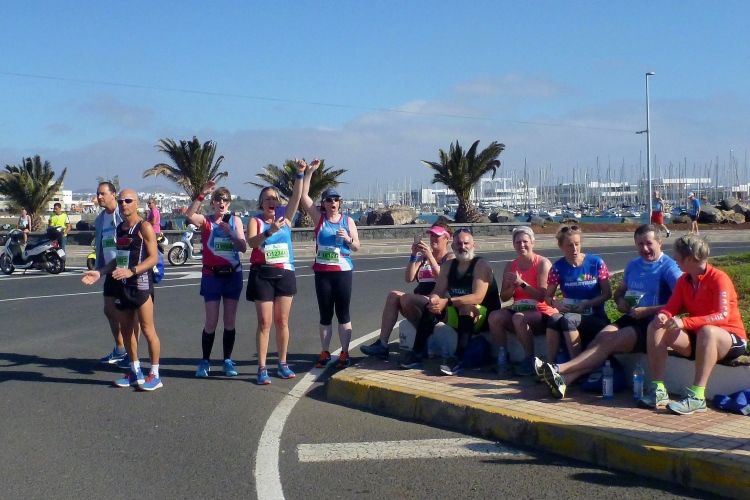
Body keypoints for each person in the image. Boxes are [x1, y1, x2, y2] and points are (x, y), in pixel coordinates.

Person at [541, 224, 682, 398]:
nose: (645, 248)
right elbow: (618, 293)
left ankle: (559, 369)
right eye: (640, 244)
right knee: (600, 339)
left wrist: (648, 310)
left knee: (609, 342)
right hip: (630, 317)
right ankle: (565, 380)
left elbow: (681, 302)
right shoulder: (634, 264)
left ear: (659, 243)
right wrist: (620, 302)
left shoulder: (669, 267)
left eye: (649, 243)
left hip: (651, 323)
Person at [638, 234, 747, 415]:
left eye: (677, 255)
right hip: (699, 337)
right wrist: (663, 316)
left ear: (689, 259)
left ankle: (697, 397)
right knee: (656, 327)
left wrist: (685, 322)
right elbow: (671, 307)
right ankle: (658, 390)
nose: (674, 258)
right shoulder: (684, 280)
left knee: (708, 331)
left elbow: (722, 316)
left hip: (729, 339)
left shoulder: (719, 278)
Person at [82, 189, 163, 391]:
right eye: (121, 201)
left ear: (137, 203)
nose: (124, 204)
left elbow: (153, 258)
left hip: (141, 284)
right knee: (126, 330)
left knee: (148, 330)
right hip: (122, 284)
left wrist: (132, 271)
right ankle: (135, 371)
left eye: (128, 200)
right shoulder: (119, 228)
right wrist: (100, 272)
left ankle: (155, 375)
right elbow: (118, 259)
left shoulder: (144, 227)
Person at [398, 229, 501, 376]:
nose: (462, 247)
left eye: (466, 243)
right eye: (458, 244)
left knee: (467, 307)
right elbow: (438, 291)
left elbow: (477, 297)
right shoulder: (448, 265)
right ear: (453, 246)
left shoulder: (481, 265)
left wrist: (447, 302)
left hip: (483, 315)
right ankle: (417, 352)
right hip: (457, 311)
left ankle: (457, 359)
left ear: (474, 246)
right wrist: (434, 300)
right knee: (432, 306)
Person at [247, 159, 307, 384]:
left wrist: (300, 173)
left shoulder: (286, 218)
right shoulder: (255, 221)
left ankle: (282, 363)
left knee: (282, 321)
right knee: (265, 322)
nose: (272, 201)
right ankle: (262, 367)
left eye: (275, 198)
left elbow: (296, 197)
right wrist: (269, 231)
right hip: (262, 274)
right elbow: (252, 243)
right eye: (267, 199)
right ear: (261, 203)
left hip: (285, 273)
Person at [360, 222, 454, 359]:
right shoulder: (423, 258)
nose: (433, 239)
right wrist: (414, 255)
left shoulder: (450, 258)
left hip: (438, 303)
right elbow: (409, 278)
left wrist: (431, 257)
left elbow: (442, 279)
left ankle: (423, 340)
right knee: (393, 295)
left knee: (407, 298)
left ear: (447, 238)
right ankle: (382, 344)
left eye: (437, 236)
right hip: (420, 300)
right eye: (431, 236)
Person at [301, 162, 361, 370]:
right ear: (324, 203)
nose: (333, 202)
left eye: (336, 199)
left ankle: (344, 351)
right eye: (329, 200)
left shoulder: (348, 221)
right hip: (323, 272)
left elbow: (357, 246)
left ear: (340, 203)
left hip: (343, 272)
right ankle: (325, 351)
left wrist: (347, 239)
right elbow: (304, 196)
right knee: (325, 314)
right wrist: (309, 172)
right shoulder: (319, 219)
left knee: (343, 313)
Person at [187, 182, 247, 378]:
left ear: (229, 203)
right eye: (218, 199)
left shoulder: (235, 221)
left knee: (229, 320)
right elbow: (189, 215)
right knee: (211, 321)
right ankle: (205, 361)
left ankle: (227, 360)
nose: (222, 202)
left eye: (225, 200)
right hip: (212, 276)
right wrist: (201, 194)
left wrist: (231, 233)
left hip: (232, 275)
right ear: (213, 202)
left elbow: (243, 247)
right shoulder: (206, 222)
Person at [488, 226, 553, 376]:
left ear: (533, 243)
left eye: (525, 242)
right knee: (494, 317)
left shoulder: (542, 263)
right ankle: (503, 356)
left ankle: (530, 360)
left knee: (519, 318)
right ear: (513, 245)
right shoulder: (510, 265)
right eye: (518, 242)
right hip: (519, 309)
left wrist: (521, 284)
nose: (521, 245)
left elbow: (542, 297)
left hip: (541, 311)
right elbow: (504, 297)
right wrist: (512, 287)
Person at [543, 225, 612, 366]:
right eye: (569, 245)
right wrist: (557, 304)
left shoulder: (596, 263)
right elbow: (547, 297)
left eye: (577, 244)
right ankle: (549, 365)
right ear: (561, 246)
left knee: (568, 320)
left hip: (595, 315)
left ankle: (576, 367)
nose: (574, 249)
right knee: (554, 318)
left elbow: (607, 294)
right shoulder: (557, 268)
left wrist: (587, 304)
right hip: (571, 313)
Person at [93, 182, 139, 369]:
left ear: (113, 195)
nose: (99, 197)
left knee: (130, 314)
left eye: (103, 193)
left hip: (126, 269)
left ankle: (132, 354)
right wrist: (99, 268)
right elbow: (101, 243)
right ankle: (120, 349)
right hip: (110, 269)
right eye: (98, 194)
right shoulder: (100, 219)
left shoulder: (123, 214)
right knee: (109, 309)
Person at [48, 202, 71, 267]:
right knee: (52, 249)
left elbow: (69, 227)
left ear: (60, 208)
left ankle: (62, 264)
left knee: (62, 250)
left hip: (62, 235)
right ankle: (53, 263)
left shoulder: (65, 216)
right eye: (54, 209)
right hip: (54, 235)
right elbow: (49, 225)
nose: (55, 210)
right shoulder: (52, 215)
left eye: (56, 209)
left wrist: (65, 233)